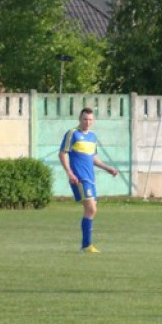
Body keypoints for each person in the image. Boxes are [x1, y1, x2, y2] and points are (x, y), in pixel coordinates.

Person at [58, 107, 118, 253]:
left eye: (90, 119)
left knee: (90, 211)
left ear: (93, 121)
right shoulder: (73, 133)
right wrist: (69, 173)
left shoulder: (92, 136)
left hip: (90, 179)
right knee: (91, 209)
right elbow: (62, 154)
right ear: (80, 119)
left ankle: (86, 245)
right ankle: (86, 246)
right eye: (85, 119)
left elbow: (92, 158)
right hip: (79, 178)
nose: (87, 122)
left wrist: (107, 168)